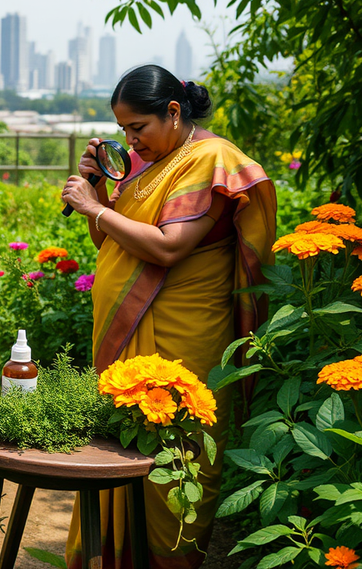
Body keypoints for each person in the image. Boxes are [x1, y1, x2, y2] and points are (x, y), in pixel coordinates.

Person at [60, 65, 277, 569]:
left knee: (179, 460)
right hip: (129, 331)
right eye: (123, 131)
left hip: (186, 336)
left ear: (174, 112)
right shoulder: (145, 163)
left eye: (139, 127)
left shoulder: (209, 158)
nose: (132, 140)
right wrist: (98, 192)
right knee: (119, 451)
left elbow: (168, 248)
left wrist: (96, 209)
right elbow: (109, 241)